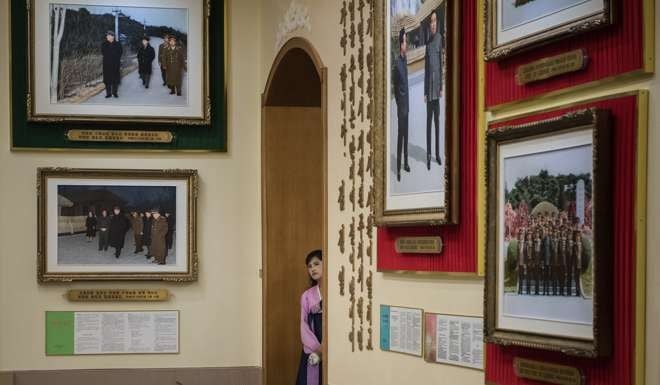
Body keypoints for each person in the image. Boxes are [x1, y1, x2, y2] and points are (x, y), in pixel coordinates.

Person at [296, 249, 323, 385]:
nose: (312, 269)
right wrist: (318, 348)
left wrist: (328, 346)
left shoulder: (336, 292)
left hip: (332, 346)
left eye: (316, 264)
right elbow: (304, 324)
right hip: (313, 347)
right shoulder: (306, 295)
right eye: (309, 266)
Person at [423, 10, 443, 170]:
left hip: (437, 89)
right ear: (429, 25)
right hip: (429, 91)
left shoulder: (439, 39)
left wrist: (441, 87)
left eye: (435, 20)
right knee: (428, 124)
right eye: (431, 21)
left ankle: (437, 154)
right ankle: (428, 155)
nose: (433, 23)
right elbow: (426, 70)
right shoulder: (428, 43)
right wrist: (424, 92)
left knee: (437, 123)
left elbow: (441, 65)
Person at [393, 28, 410, 182]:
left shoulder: (405, 61)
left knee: (406, 135)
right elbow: (395, 85)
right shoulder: (397, 63)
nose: (406, 43)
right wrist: (399, 105)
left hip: (408, 106)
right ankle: (398, 168)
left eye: (406, 40)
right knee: (400, 137)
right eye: (404, 41)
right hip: (401, 108)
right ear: (400, 44)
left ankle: (405, 163)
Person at [101, 31, 123, 98]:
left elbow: (120, 53)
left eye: (109, 36)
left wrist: (115, 58)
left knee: (115, 80)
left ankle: (115, 93)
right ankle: (108, 93)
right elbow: (103, 52)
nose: (107, 37)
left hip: (115, 64)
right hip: (107, 64)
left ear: (113, 36)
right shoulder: (104, 44)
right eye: (107, 36)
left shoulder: (118, 44)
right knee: (107, 80)